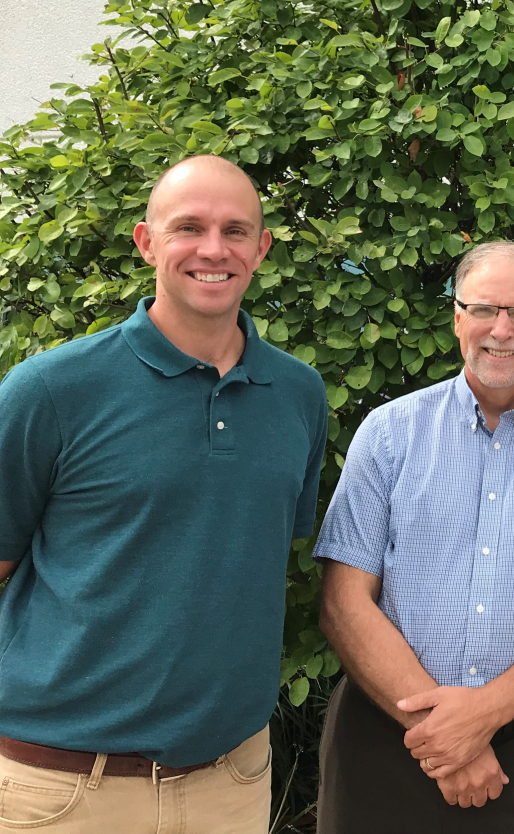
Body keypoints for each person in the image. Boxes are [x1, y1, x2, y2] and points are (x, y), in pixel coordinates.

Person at [0, 154, 328, 833]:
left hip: (228, 782)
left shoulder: (298, 395)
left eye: (236, 230)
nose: (214, 249)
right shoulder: (51, 391)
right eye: (189, 227)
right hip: (59, 787)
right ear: (147, 242)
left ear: (262, 249)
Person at [313, 240, 514, 834]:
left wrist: (482, 716)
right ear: (457, 317)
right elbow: (342, 601)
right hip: (384, 749)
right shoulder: (388, 433)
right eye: (484, 309)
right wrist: (444, 736)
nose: (501, 330)